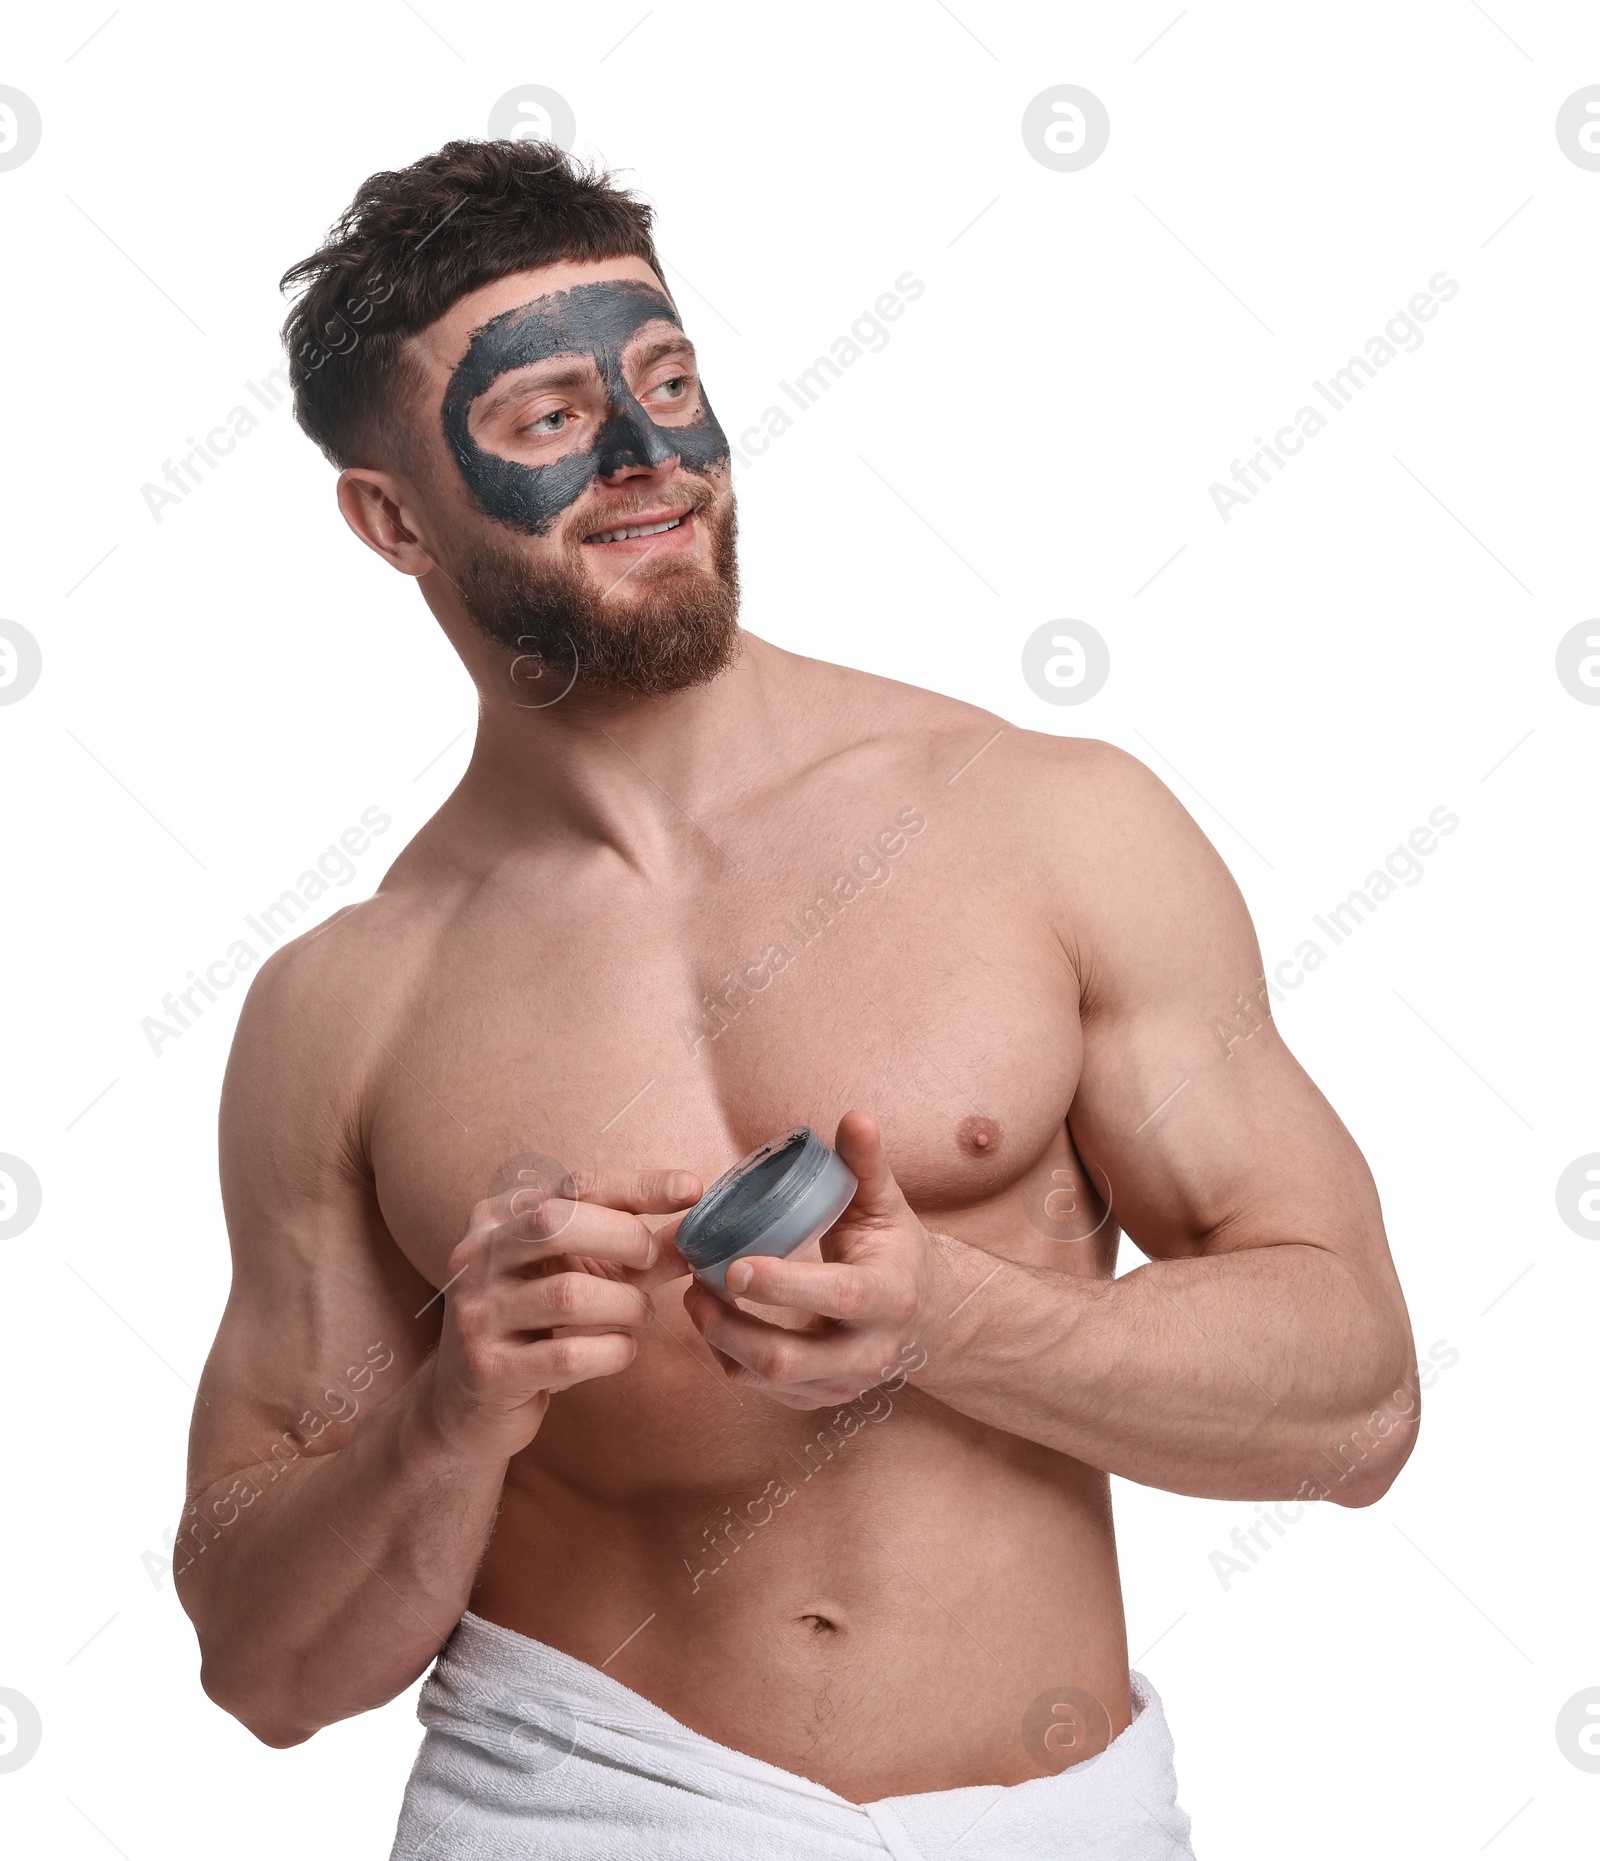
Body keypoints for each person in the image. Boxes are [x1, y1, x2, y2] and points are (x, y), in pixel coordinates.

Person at [177, 138, 1417, 1860]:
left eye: (671, 382)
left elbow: (1359, 1406)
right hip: (575, 1806)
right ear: (394, 518)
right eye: (548, 419)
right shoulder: (344, 1008)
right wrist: (452, 1412)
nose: (649, 459)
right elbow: (267, 1665)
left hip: (1047, 1818)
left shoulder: (1048, 820)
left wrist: (955, 1319)